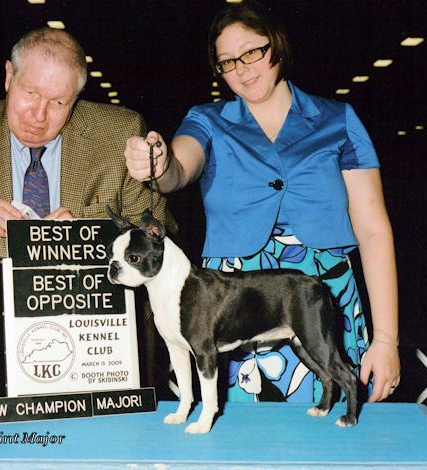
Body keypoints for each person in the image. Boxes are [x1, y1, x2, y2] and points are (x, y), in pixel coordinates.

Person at [125, 0, 400, 404]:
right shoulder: (207, 120)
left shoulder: (338, 120)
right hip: (229, 305)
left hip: (321, 296)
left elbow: (374, 230)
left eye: (252, 52)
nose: (242, 69)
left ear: (278, 46)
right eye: (227, 61)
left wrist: (387, 339)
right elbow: (179, 169)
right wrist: (160, 163)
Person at [0, 27, 175, 425]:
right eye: (29, 93)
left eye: (58, 102)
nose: (38, 115)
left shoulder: (119, 131)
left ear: (76, 99)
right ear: (8, 77)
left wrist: (88, 231)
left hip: (99, 364)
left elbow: (162, 239)